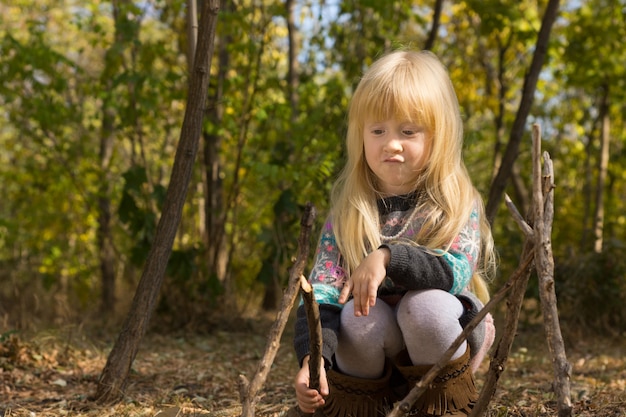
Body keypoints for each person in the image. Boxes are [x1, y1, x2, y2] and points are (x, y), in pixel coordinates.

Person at [292, 49, 497, 417]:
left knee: (424, 307)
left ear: (439, 136)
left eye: (408, 131)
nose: (391, 143)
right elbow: (321, 292)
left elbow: (455, 271)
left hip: (442, 336)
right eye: (378, 130)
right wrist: (312, 359)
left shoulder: (455, 202)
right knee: (356, 315)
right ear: (361, 136)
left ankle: (442, 408)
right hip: (377, 356)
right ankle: (366, 406)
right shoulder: (349, 214)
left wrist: (386, 257)